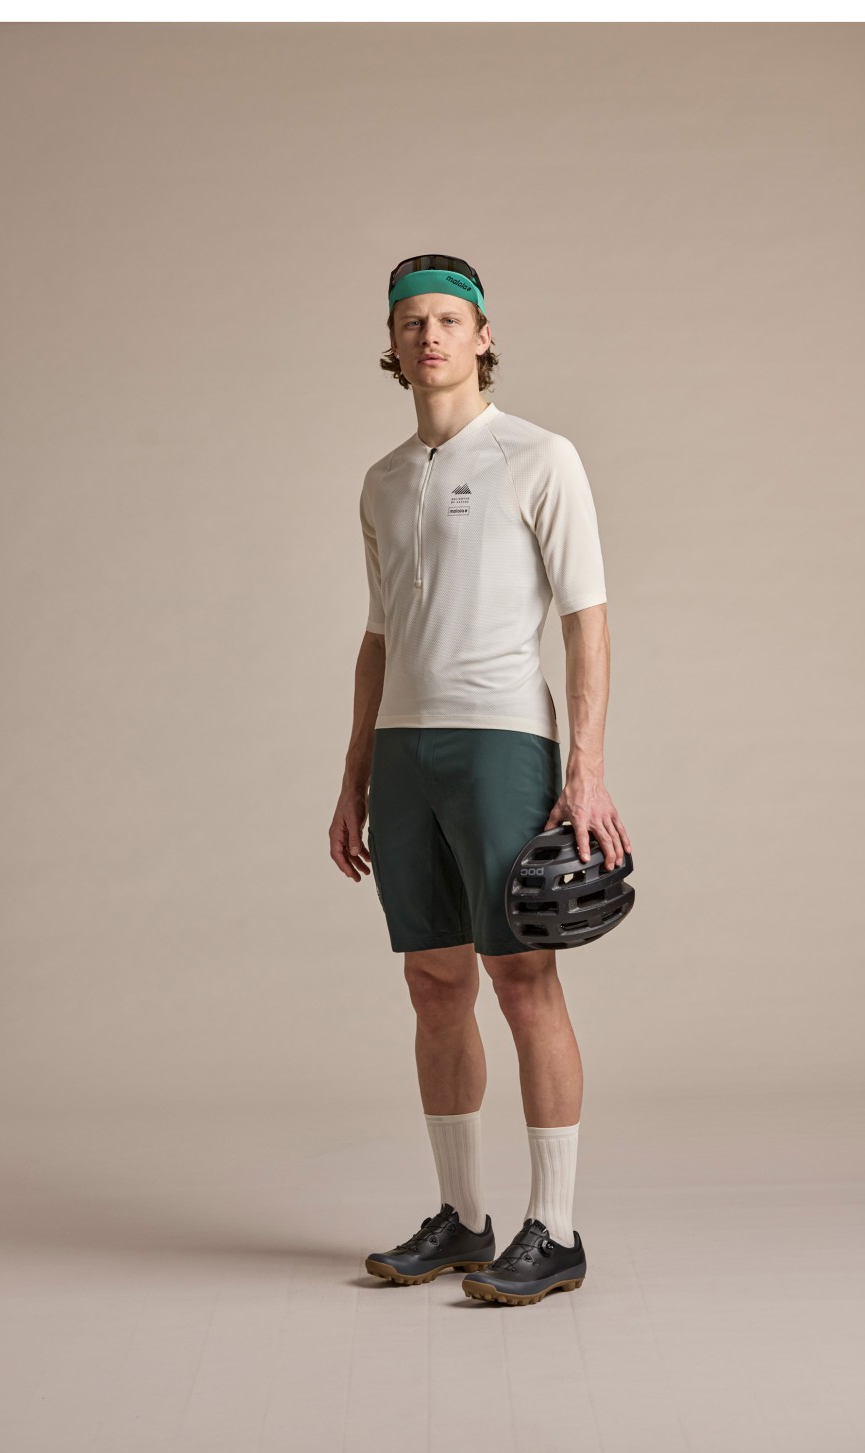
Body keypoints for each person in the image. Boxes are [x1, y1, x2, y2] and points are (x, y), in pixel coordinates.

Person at [329, 254, 631, 1306]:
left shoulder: (540, 457)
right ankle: (463, 1218)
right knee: (433, 982)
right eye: (412, 321)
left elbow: (587, 621)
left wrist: (586, 771)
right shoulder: (381, 481)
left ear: (484, 336)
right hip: (405, 751)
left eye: (449, 320)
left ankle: (557, 1231)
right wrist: (355, 774)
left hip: (502, 743)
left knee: (522, 978)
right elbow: (379, 635)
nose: (430, 336)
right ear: (392, 342)